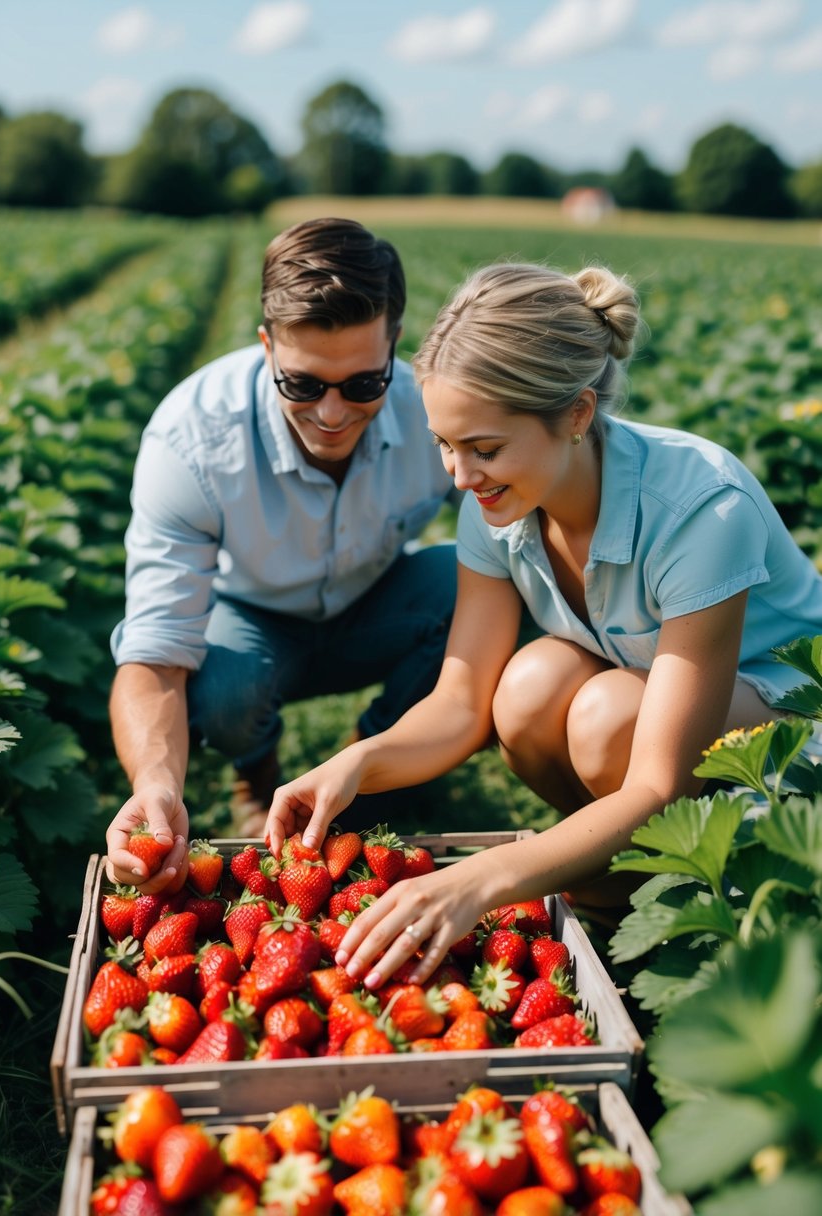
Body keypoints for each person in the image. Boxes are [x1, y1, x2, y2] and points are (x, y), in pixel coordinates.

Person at [265, 259, 822, 992]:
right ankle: (618, 887)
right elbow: (460, 704)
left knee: (603, 714)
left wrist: (483, 878)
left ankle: (687, 890)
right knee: (525, 688)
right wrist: (357, 765)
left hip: (790, 750)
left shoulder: (699, 508)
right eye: (444, 444)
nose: (459, 476)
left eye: (484, 448)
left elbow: (657, 779)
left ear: (577, 415)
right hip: (659, 731)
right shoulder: (493, 507)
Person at [105, 217, 457, 893]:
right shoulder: (191, 439)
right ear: (266, 347)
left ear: (394, 348)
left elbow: (520, 538)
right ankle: (257, 775)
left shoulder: (433, 412)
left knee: (474, 588)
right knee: (227, 688)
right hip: (251, 618)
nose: (330, 412)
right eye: (302, 384)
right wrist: (154, 784)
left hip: (374, 601)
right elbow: (155, 651)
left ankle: (374, 777)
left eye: (361, 385)